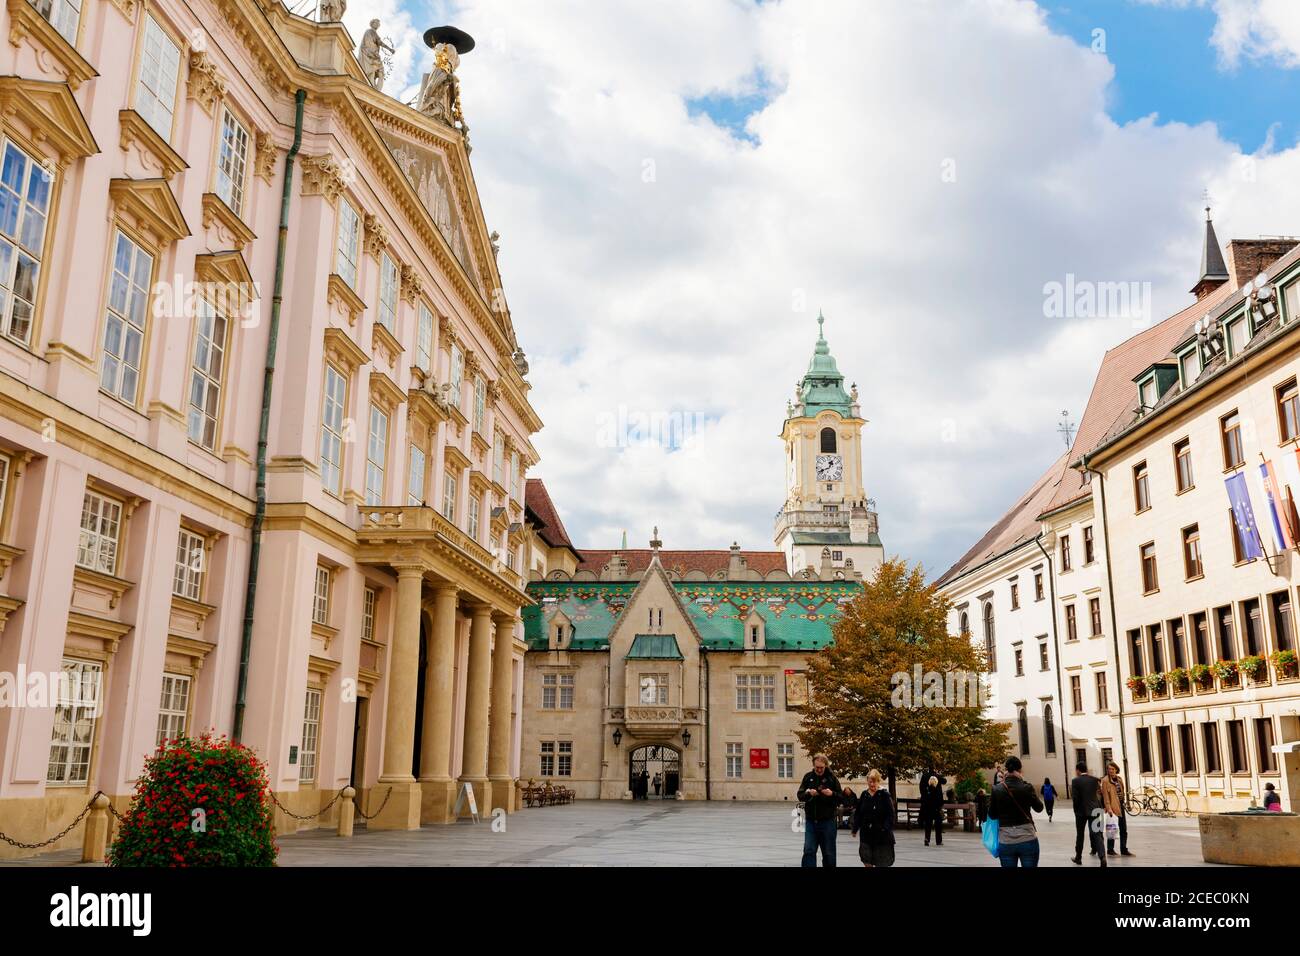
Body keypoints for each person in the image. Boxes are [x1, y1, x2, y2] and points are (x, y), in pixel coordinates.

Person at [988, 755, 1043, 867]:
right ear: (1020, 770)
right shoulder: (1027, 787)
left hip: (1006, 840)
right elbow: (1039, 808)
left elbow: (992, 815)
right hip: (1027, 838)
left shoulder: (996, 789)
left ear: (1006, 770)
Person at [798, 753, 843, 867]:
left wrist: (832, 793)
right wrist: (808, 793)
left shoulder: (832, 778)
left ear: (826, 766)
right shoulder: (808, 777)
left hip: (828, 821)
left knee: (829, 853)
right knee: (809, 850)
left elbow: (841, 798)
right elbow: (800, 795)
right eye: (817, 767)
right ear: (813, 765)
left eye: (821, 767)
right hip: (811, 821)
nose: (819, 770)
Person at [851, 769, 895, 867]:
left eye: (874, 781)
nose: (872, 784)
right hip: (866, 833)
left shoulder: (884, 795)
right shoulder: (864, 795)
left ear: (878, 781)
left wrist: (886, 828)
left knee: (881, 862)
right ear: (867, 781)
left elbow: (890, 814)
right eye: (870, 782)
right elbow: (858, 813)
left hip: (881, 834)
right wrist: (855, 829)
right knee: (866, 860)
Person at [1071, 761, 1107, 866]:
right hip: (1096, 809)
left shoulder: (1075, 781)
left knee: (1080, 835)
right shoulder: (1095, 780)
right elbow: (1099, 794)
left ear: (1078, 770)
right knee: (1097, 834)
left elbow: (1075, 798)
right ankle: (1102, 857)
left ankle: (1078, 857)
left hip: (1081, 812)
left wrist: (1075, 811)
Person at [1100, 761, 1134, 856]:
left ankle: (1124, 849)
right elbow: (1105, 796)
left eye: (1112, 769)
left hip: (1120, 806)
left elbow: (1122, 792)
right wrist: (1109, 808)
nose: (1111, 771)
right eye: (1109, 769)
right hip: (1112, 808)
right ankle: (1110, 850)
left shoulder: (1119, 779)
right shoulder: (1105, 781)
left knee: (1123, 829)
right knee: (1112, 828)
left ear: (1116, 770)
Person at [919, 772, 945, 846]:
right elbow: (940, 802)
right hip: (936, 810)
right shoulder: (938, 791)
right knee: (938, 826)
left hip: (928, 810)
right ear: (936, 782)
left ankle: (927, 839)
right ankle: (938, 841)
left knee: (928, 825)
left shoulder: (926, 790)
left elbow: (924, 800)